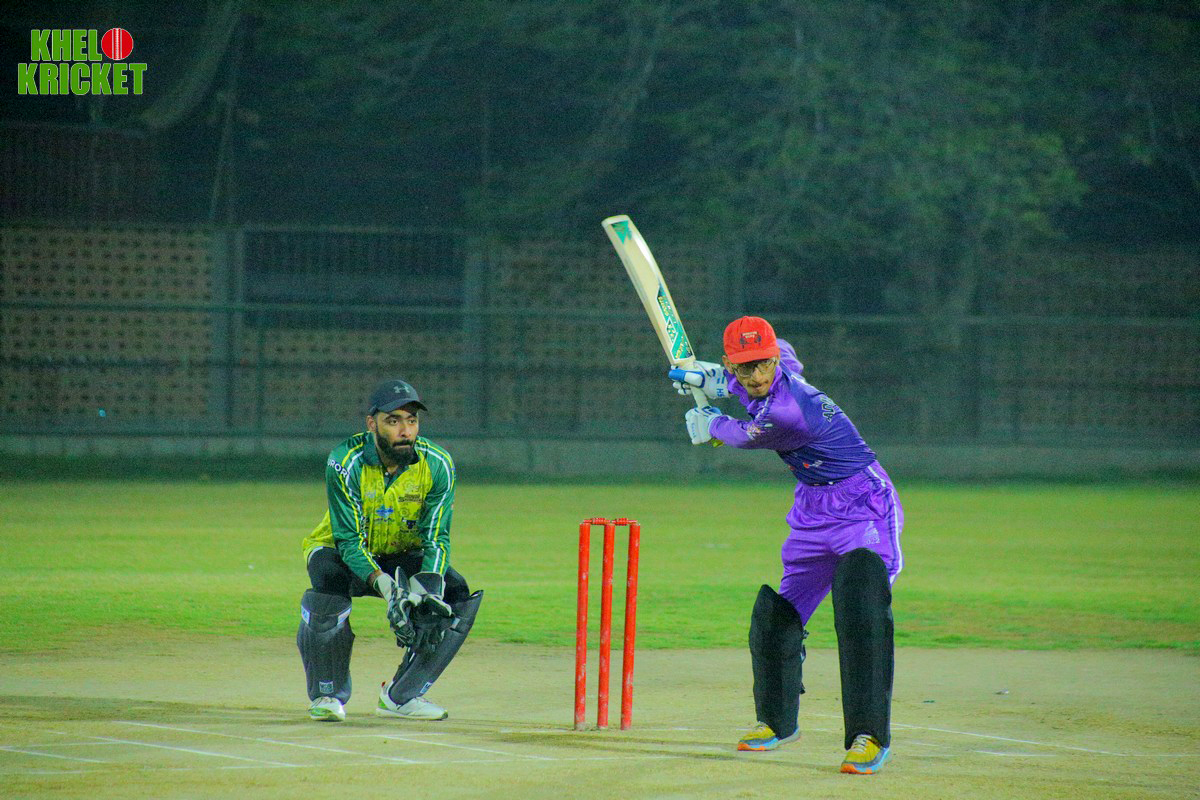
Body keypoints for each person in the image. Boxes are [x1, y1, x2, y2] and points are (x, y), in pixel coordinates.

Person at [670, 316, 903, 775]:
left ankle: (869, 736)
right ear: (731, 364)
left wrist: (712, 421)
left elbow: (744, 434)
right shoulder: (783, 363)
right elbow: (757, 378)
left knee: (861, 606)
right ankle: (777, 721)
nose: (757, 375)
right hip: (813, 509)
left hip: (863, 505)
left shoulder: (790, 411)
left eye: (764, 364)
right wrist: (713, 381)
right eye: (744, 367)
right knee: (778, 616)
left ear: (775, 359)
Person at [295, 378, 483, 723]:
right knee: (327, 579)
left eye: (411, 420)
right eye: (393, 421)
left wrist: (429, 590)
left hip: (402, 550)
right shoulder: (345, 460)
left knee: (454, 595)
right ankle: (327, 694)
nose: (405, 431)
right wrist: (387, 588)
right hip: (340, 550)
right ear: (372, 424)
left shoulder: (437, 464)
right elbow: (348, 540)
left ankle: (402, 696)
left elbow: (436, 537)